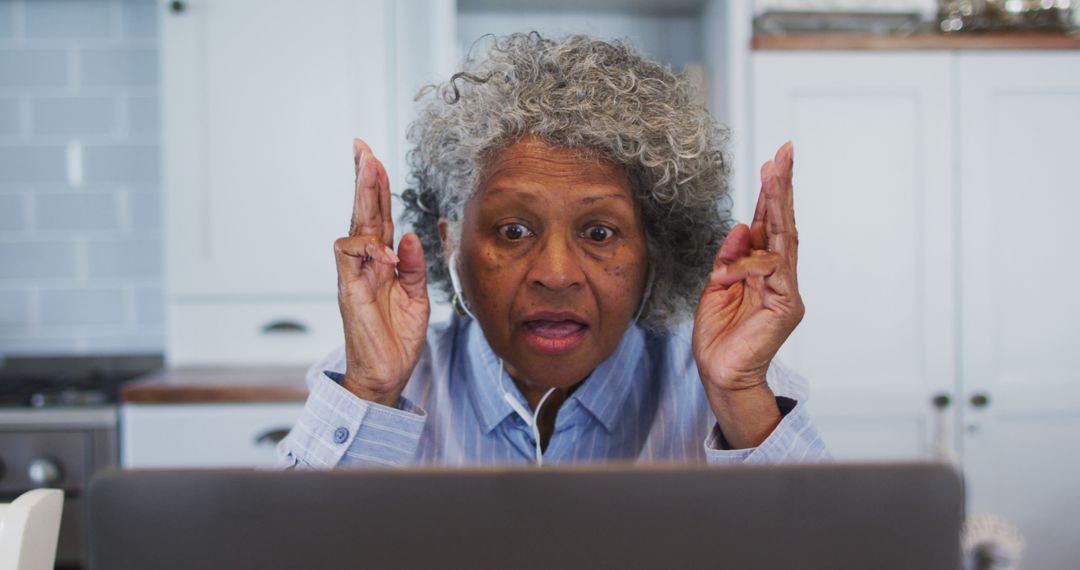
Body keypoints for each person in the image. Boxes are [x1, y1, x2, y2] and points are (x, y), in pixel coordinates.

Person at [278, 33, 828, 468]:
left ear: (654, 249)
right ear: (449, 245)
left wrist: (740, 399)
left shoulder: (725, 384)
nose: (556, 274)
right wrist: (369, 393)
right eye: (513, 231)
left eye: (599, 233)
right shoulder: (381, 378)